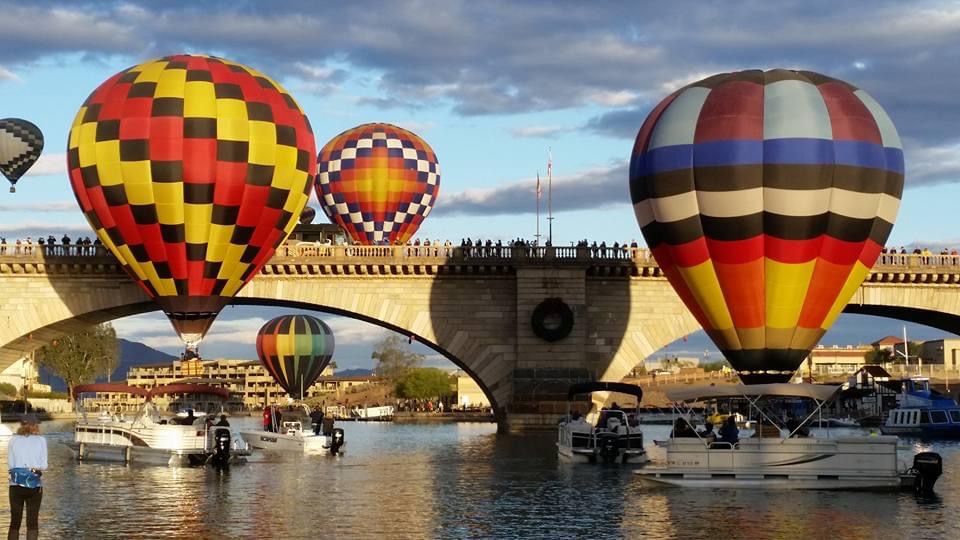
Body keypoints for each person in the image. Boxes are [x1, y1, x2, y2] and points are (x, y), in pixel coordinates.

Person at [8, 415, 48, 540]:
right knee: (32, 523)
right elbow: (44, 465)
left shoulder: (13, 440)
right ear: (34, 425)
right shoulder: (41, 440)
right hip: (34, 486)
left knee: (15, 523)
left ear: (21, 425)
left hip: (15, 486)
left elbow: (11, 466)